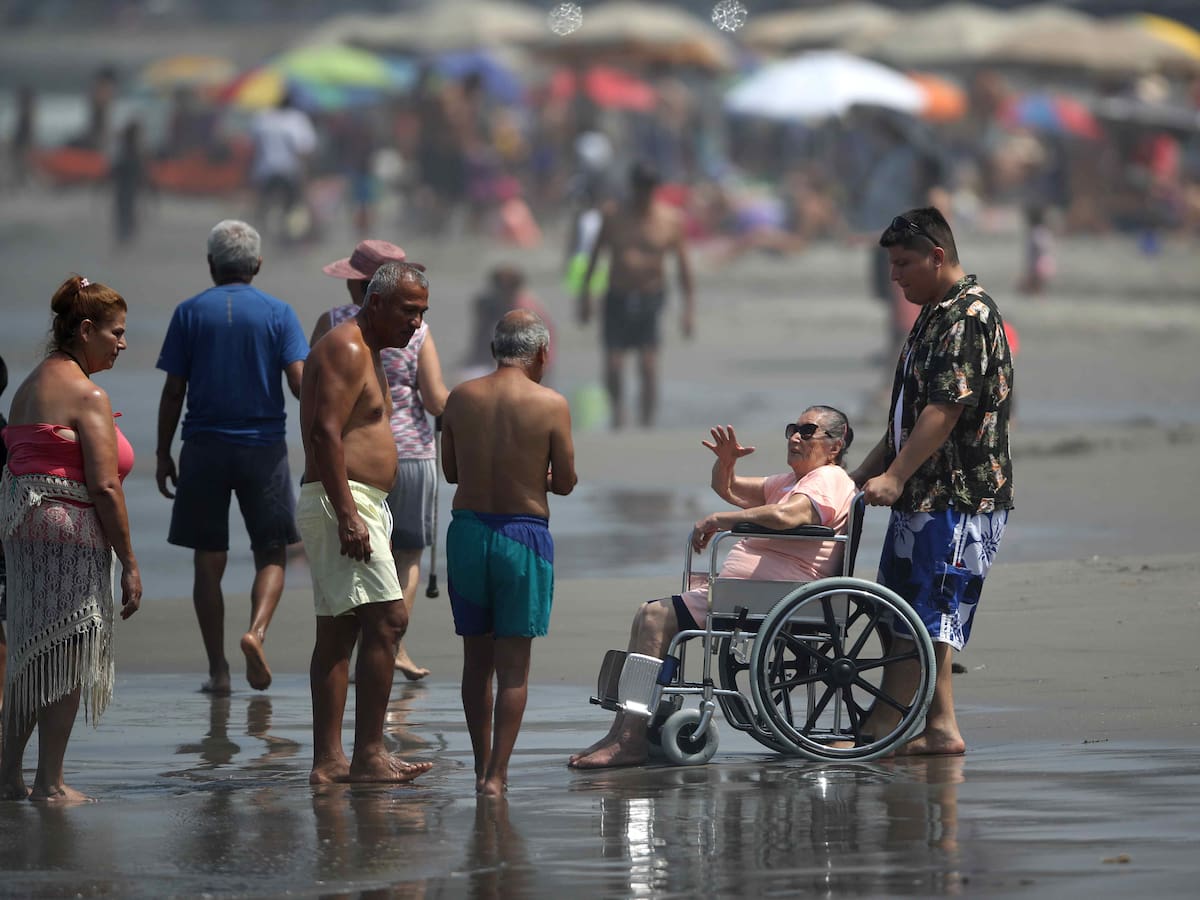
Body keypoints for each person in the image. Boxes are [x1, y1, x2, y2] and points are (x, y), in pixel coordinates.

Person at [569, 406, 856, 770]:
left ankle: (630, 738)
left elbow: (789, 515)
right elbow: (728, 488)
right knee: (647, 614)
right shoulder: (792, 482)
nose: (796, 437)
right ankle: (624, 731)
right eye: (793, 429)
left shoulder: (828, 478)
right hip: (756, 592)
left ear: (835, 446)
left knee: (656, 618)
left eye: (807, 431)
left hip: (779, 595)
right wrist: (726, 462)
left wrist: (722, 520)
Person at [849, 207, 1014, 757]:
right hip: (923, 492)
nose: (894, 277)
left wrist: (895, 476)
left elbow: (944, 411)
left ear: (937, 256)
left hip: (958, 493)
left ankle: (927, 727)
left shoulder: (968, 316)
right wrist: (862, 474)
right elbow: (908, 414)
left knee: (929, 612)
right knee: (905, 612)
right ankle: (908, 723)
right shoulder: (934, 312)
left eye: (903, 264)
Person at [0, 276, 141, 803]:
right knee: (69, 651)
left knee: (31, 652)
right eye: (115, 332)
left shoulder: (28, 386)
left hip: (22, 529)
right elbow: (104, 485)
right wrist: (129, 562)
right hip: (69, 531)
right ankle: (50, 782)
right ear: (85, 329)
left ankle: (8, 776)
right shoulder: (87, 394)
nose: (122, 343)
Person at [155, 220, 308, 695]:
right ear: (257, 264)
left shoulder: (188, 313)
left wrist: (162, 452)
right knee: (272, 551)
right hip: (263, 449)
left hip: (203, 448)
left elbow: (174, 390)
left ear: (211, 264)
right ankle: (255, 632)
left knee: (209, 558)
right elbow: (299, 383)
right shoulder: (278, 313)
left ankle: (219, 671)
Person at [297, 261, 434, 785]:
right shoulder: (348, 347)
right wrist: (348, 514)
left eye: (422, 313)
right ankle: (369, 754)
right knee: (389, 621)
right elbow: (323, 433)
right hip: (345, 500)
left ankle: (330, 761)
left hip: (358, 501)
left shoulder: (369, 349)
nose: (415, 323)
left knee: (340, 631)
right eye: (407, 311)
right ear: (374, 303)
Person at [442, 310, 577, 796]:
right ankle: (497, 777)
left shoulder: (461, 397)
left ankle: (480, 765)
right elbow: (565, 482)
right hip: (522, 536)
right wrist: (536, 474)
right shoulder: (551, 403)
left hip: (468, 533)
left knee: (475, 661)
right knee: (513, 667)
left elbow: (452, 472)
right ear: (541, 353)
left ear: (493, 349)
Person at [311, 240, 449, 680]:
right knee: (404, 562)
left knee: (358, 602)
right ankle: (392, 648)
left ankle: (381, 648)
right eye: (410, 308)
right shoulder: (356, 341)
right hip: (392, 466)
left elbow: (309, 394)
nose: (416, 320)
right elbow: (435, 400)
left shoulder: (336, 325)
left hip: (366, 472)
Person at [577, 161, 695, 430]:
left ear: (655, 189)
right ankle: (618, 412)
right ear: (632, 187)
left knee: (648, 364)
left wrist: (688, 310)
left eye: (648, 188)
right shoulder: (613, 216)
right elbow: (595, 256)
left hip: (650, 296)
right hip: (617, 295)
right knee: (614, 363)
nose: (644, 193)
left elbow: (683, 268)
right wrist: (585, 296)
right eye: (640, 187)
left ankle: (646, 422)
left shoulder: (670, 220)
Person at [249, 91, 317, 243]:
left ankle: (261, 238)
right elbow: (304, 149)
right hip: (289, 170)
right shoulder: (297, 119)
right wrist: (306, 174)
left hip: (265, 170)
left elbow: (254, 145)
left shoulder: (262, 118)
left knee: (265, 206)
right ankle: (286, 237)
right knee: (291, 206)